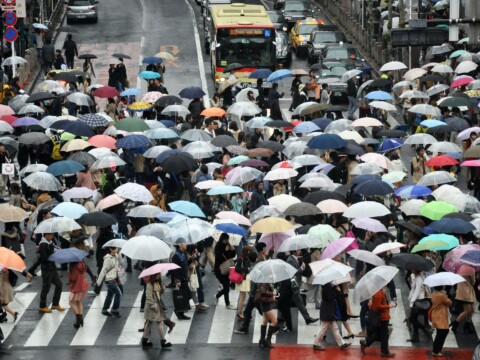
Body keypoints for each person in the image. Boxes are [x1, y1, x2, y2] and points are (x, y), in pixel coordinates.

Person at [313, 282, 351, 350]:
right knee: (323, 328)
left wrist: (335, 289)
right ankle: (316, 344)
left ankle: (342, 344)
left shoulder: (327, 285)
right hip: (328, 311)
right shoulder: (327, 286)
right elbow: (330, 297)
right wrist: (337, 290)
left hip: (328, 310)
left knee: (334, 328)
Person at [360, 287, 396, 357]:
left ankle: (365, 343)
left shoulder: (379, 291)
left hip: (382, 317)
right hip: (382, 317)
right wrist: (389, 306)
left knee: (379, 334)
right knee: (384, 335)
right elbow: (378, 306)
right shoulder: (378, 294)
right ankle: (384, 351)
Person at [141, 274, 172, 349]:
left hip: (156, 306)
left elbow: (159, 294)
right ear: (153, 275)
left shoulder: (157, 283)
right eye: (158, 274)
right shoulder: (149, 284)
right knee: (159, 322)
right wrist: (154, 306)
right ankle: (163, 341)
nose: (159, 276)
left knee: (149, 322)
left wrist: (163, 289)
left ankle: (144, 339)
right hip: (152, 307)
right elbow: (148, 298)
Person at [38, 232, 64, 313]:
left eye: (52, 235)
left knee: (59, 284)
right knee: (46, 288)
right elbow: (43, 257)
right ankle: (42, 306)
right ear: (46, 235)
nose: (52, 236)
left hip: (52, 268)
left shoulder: (50, 243)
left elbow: (56, 248)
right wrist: (52, 253)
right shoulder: (43, 244)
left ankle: (55, 304)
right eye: (50, 235)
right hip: (46, 269)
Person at [96, 246, 122, 317]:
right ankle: (114, 310)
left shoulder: (115, 256)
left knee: (110, 295)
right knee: (118, 294)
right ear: (111, 249)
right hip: (109, 280)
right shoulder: (108, 259)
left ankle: (104, 310)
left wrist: (119, 254)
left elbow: (119, 263)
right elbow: (103, 270)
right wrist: (98, 282)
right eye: (116, 248)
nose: (118, 249)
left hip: (113, 278)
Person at [213, 233, 236, 309]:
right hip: (219, 269)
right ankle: (227, 303)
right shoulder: (218, 247)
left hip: (227, 269)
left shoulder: (228, 245)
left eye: (227, 240)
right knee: (226, 287)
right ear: (222, 239)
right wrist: (225, 251)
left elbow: (232, 256)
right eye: (225, 240)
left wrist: (233, 250)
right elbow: (221, 258)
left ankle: (220, 298)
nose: (227, 241)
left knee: (226, 287)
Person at [431, 286, 452, 357]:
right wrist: (445, 294)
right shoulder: (442, 295)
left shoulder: (434, 293)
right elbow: (450, 303)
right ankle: (435, 351)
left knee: (441, 332)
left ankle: (438, 349)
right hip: (440, 316)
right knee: (442, 333)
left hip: (436, 315)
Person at [68, 258, 90, 328]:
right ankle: (80, 319)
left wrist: (69, 273)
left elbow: (73, 278)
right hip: (83, 285)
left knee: (71, 302)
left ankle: (79, 318)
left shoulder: (74, 267)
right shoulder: (81, 264)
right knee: (79, 302)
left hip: (77, 286)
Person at [255, 282, 278, 348]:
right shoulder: (264, 283)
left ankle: (262, 340)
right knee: (274, 321)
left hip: (266, 304)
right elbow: (263, 292)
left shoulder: (266, 282)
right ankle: (268, 340)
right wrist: (272, 294)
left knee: (264, 321)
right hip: (266, 305)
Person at [234, 246, 252, 320]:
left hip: (245, 279)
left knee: (244, 296)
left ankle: (241, 313)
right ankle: (240, 313)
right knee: (243, 297)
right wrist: (246, 269)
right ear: (247, 252)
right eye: (249, 251)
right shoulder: (241, 259)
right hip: (243, 280)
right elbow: (237, 269)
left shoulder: (246, 258)